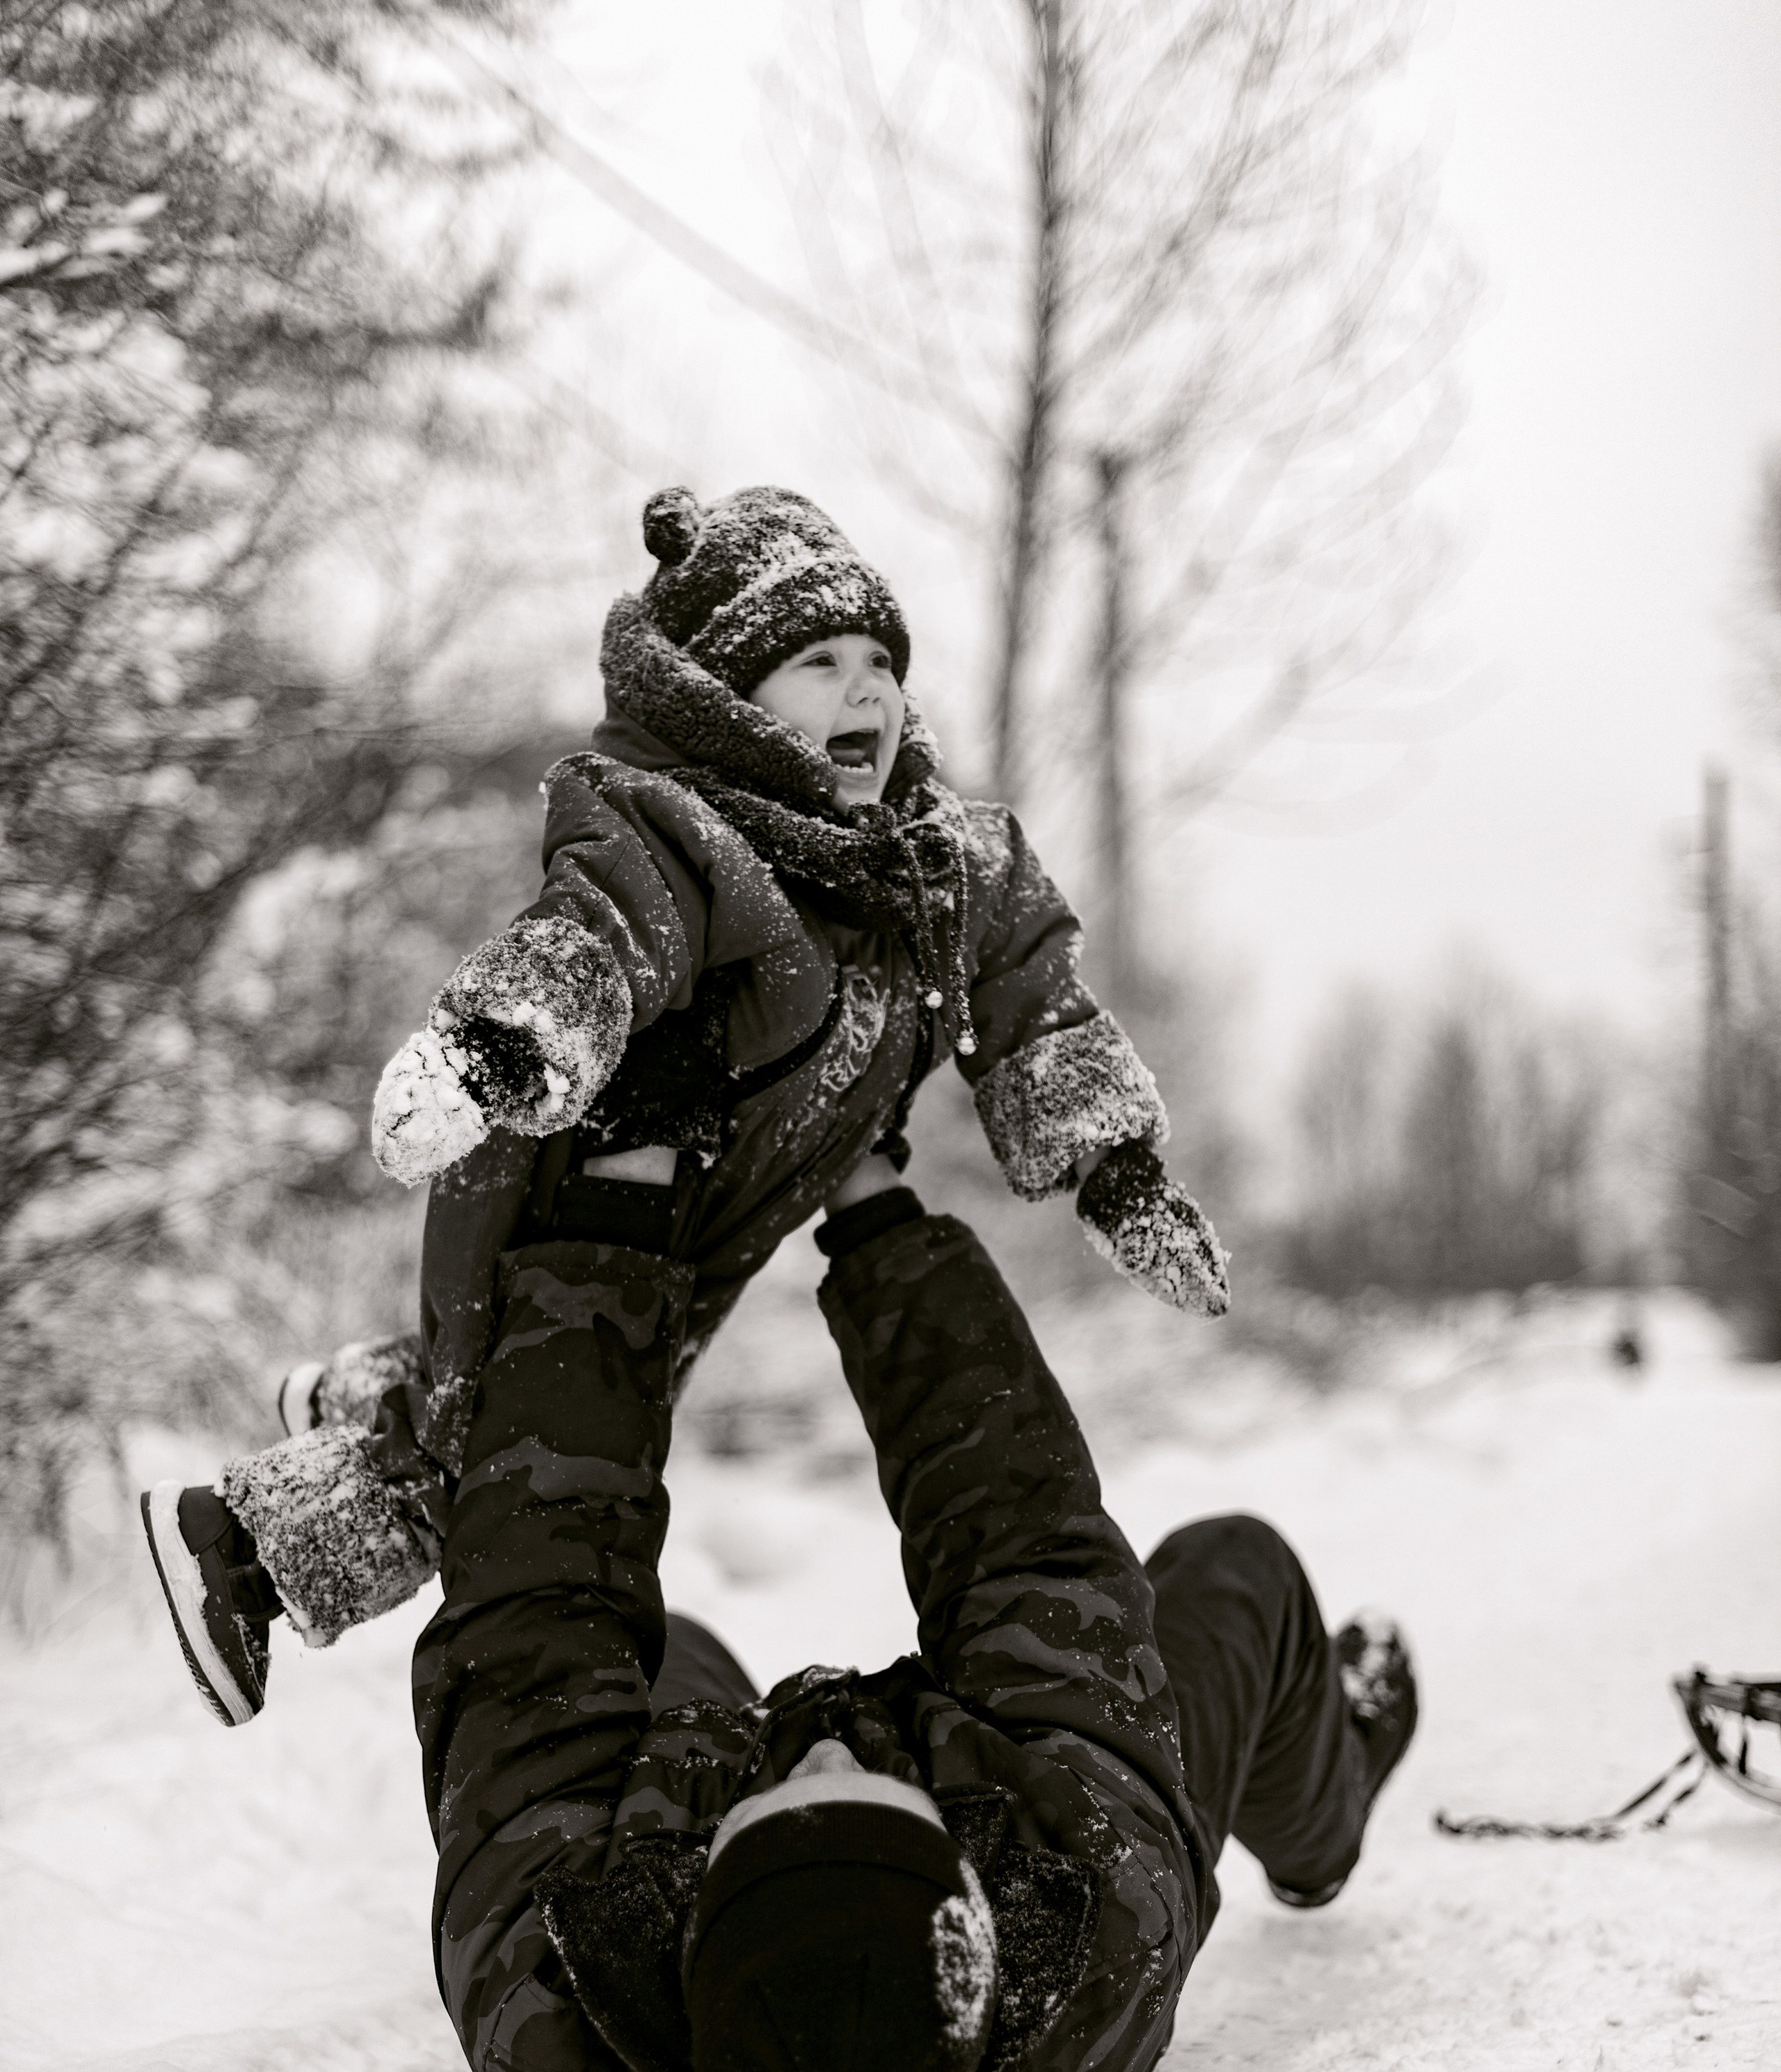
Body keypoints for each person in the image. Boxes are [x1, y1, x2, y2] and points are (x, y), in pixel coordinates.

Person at [141, 485, 1227, 1726]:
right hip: (568, 1212)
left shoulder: (938, 870)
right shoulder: (686, 832)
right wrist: (500, 1039)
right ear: (728, 698)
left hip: (696, 1242)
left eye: (881, 661)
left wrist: (1115, 1162)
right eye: (818, 662)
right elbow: (601, 928)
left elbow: (1035, 991)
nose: (865, 690)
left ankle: (363, 1398)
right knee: (508, 1468)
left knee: (518, 1434)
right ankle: (235, 1546)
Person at [389, 1157, 1416, 2072]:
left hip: (781, 1866)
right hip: (1042, 1820)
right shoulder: (1104, 1905)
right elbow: (1026, 1548)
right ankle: (1325, 1816)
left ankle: (801, 1813)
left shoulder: (547, 1982)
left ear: (680, 1911)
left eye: (768, 1801)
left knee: (659, 1657)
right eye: (888, 1795)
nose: (821, 1748)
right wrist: (878, 1217)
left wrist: (607, 1231)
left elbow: (535, 1612)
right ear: (987, 1888)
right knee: (1235, 1562)